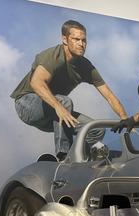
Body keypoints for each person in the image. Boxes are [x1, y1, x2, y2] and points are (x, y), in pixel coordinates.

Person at [11, 20, 129, 159]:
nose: (81, 44)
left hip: (55, 114)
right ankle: (64, 155)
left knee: (95, 129)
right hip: (27, 103)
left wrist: (125, 119)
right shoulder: (54, 56)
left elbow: (109, 95)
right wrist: (58, 107)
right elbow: (36, 83)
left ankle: (80, 160)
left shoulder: (86, 67)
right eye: (76, 39)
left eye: (84, 40)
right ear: (65, 39)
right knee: (64, 102)